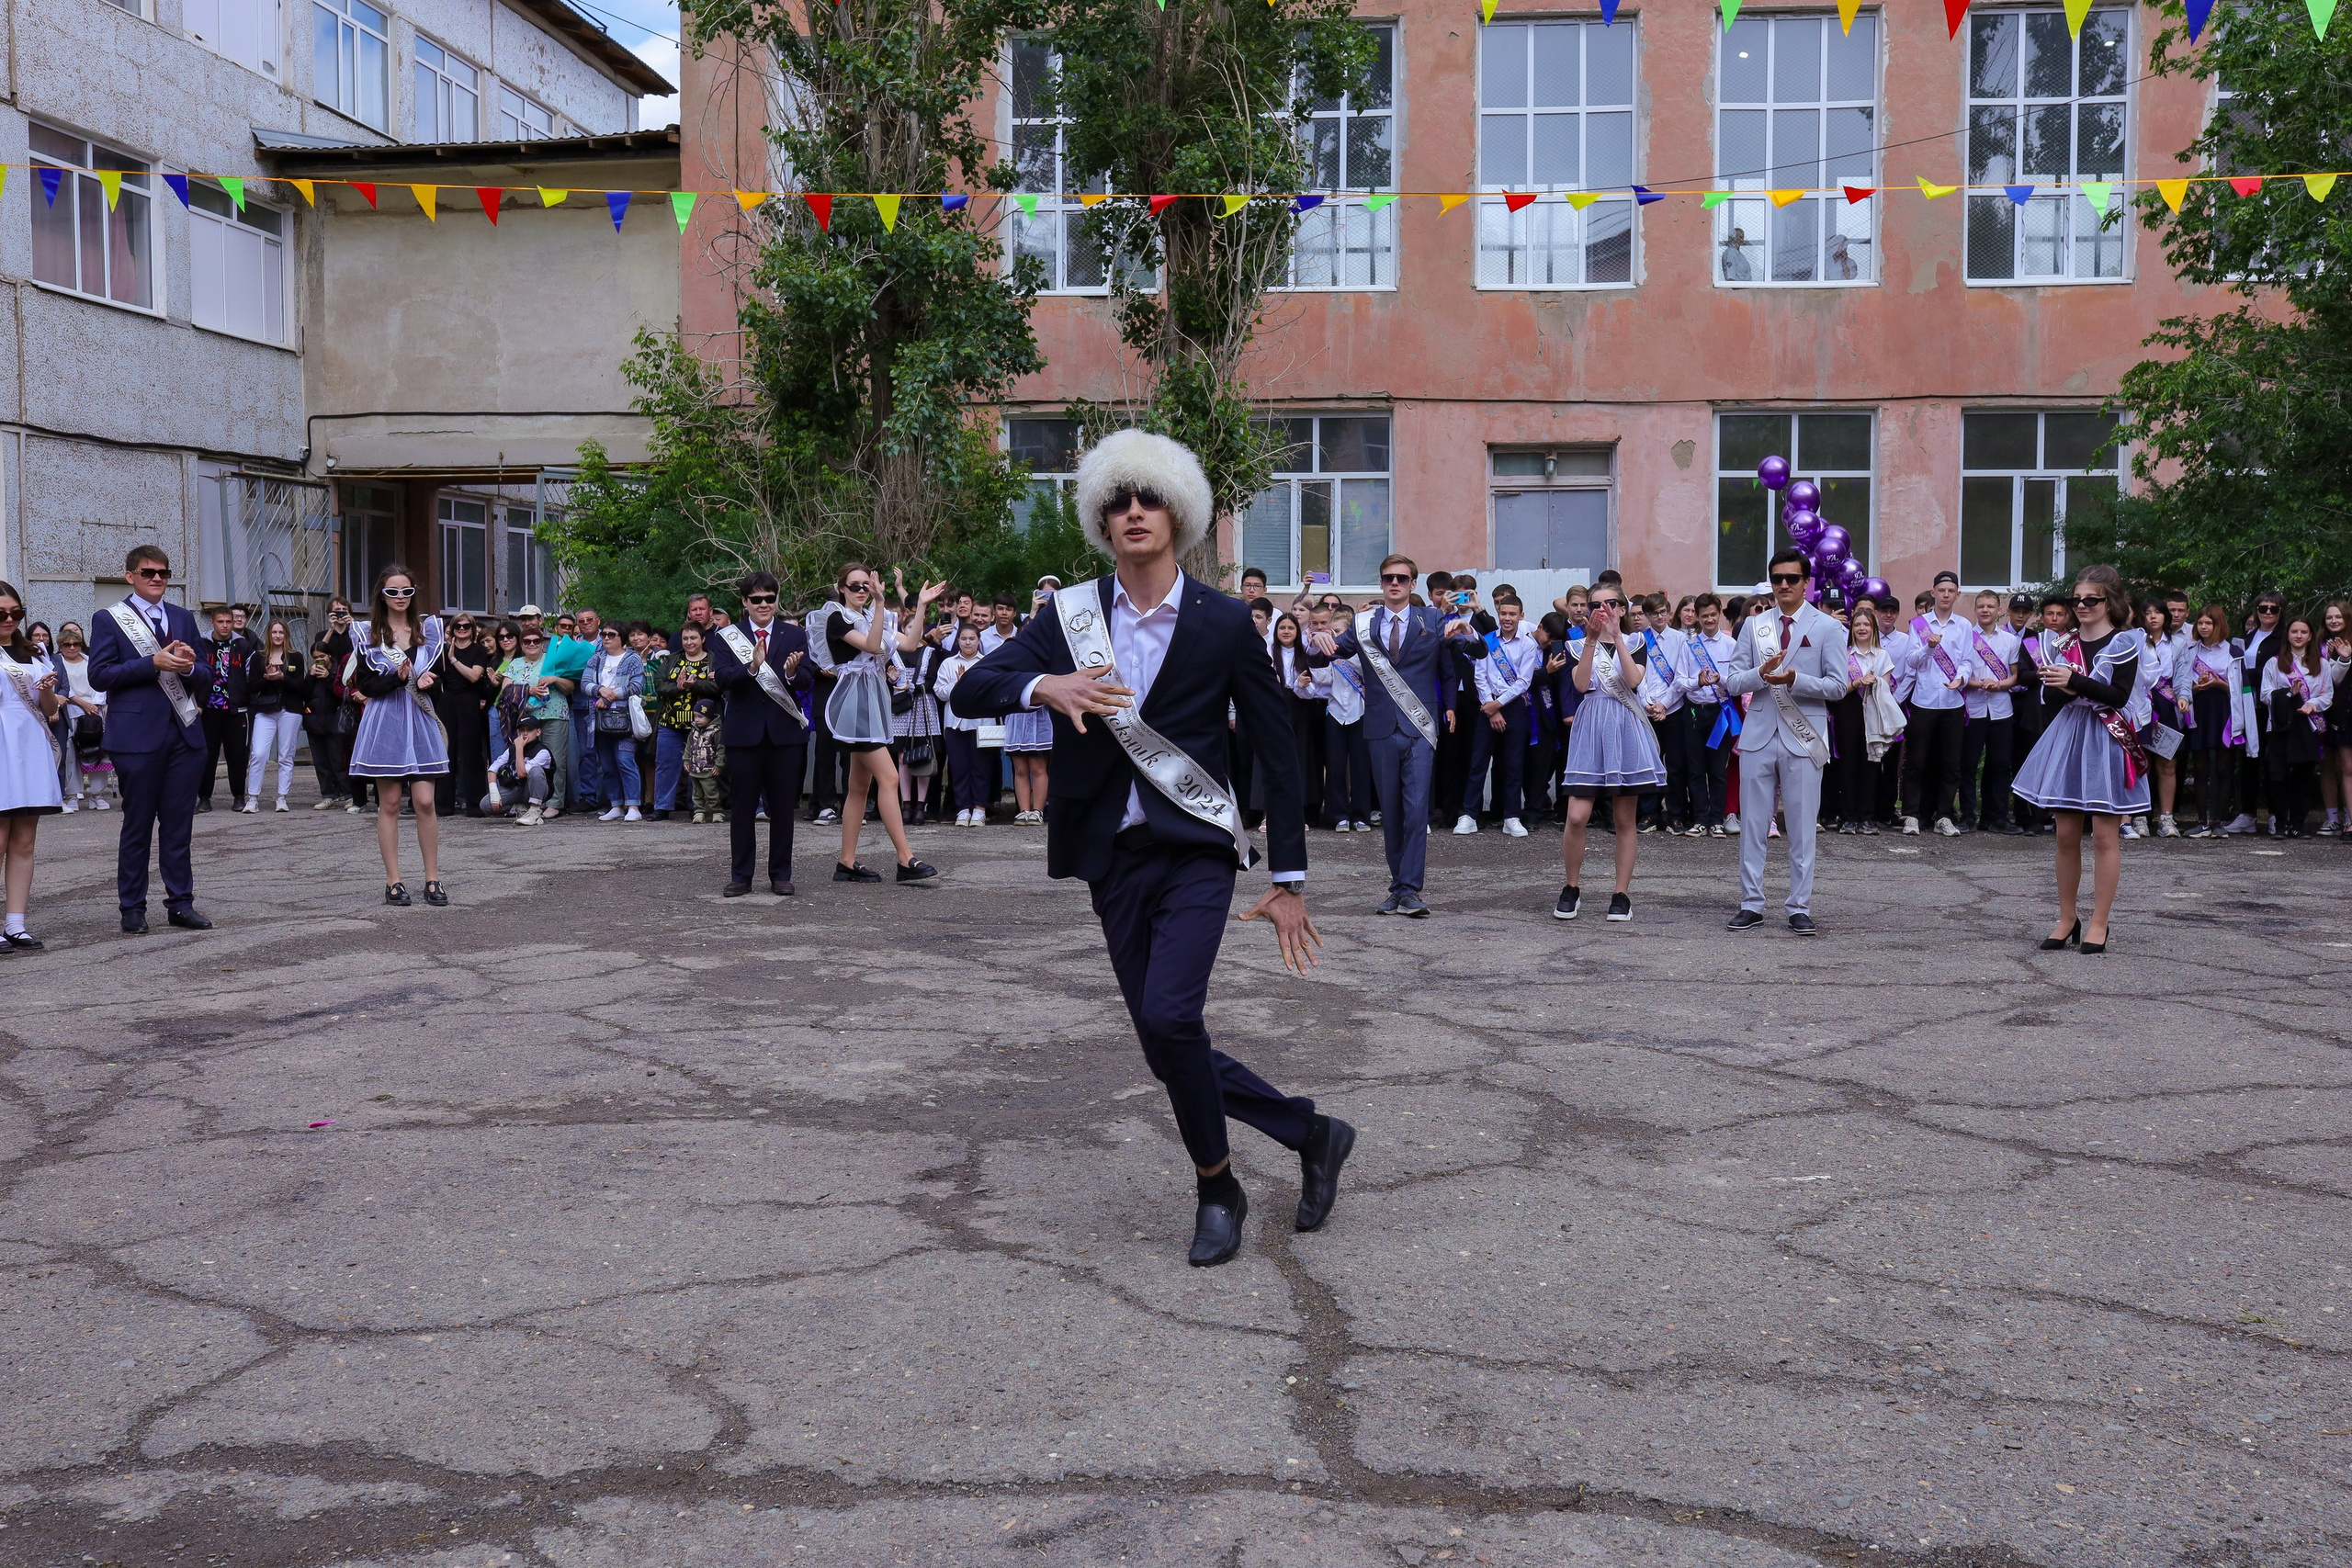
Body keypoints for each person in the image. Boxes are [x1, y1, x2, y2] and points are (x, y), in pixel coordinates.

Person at [950, 428, 1351, 1268]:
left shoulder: (1222, 622)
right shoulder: (1067, 618)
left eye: (1149, 498)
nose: (1134, 512)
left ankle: (1217, 1188)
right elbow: (968, 686)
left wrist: (1288, 873)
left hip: (1197, 846)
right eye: (1117, 502)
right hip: (1112, 855)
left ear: (1180, 513)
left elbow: (1278, 747)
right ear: (1103, 519)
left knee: (1171, 1017)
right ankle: (1310, 1131)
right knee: (1163, 1038)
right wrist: (1042, 682)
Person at [1306, 555, 1461, 916]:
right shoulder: (1363, 624)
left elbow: (1469, 653)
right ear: (1381, 584)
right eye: (1389, 578)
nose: (1395, 583)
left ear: (1412, 585)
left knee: (1416, 808)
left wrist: (1466, 634)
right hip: (1378, 727)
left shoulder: (1434, 619)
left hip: (1419, 726)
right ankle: (1399, 887)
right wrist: (1320, 641)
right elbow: (1318, 659)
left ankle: (1409, 889)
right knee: (1390, 811)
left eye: (1402, 579)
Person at [2012, 566, 2146, 954]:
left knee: (2105, 836)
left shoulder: (2125, 642)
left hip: (2106, 740)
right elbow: (2051, 699)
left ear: (2110, 602)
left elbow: (2117, 696)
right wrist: (2069, 684)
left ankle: (2100, 922)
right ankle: (2067, 917)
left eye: (2092, 599)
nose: (2082, 606)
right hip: (2069, 737)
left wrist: (2072, 681)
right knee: (2066, 835)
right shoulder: (2061, 644)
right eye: (2077, 600)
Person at [89, 545, 216, 933]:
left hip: (185, 734)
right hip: (136, 739)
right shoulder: (109, 619)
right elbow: (100, 676)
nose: (157, 578)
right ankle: (132, 908)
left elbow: (208, 679)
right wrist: (152, 663)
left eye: (163, 572)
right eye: (148, 572)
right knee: (138, 825)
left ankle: (180, 903)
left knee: (179, 827)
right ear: (130, 577)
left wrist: (192, 666)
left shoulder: (182, 617)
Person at [1724, 550, 1849, 936]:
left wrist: (1796, 679)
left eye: (1791, 579)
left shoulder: (1828, 627)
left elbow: (1839, 686)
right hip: (1759, 735)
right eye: (1777, 578)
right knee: (1753, 826)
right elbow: (1732, 681)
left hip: (1803, 737)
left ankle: (1799, 906)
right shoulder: (1753, 626)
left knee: (1801, 827)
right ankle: (1752, 903)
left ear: (1806, 582)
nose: (1784, 585)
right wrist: (1760, 675)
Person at [816, 565, 942, 882]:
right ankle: (905, 858)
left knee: (859, 787)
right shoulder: (837, 617)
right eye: (855, 586)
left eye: (865, 586)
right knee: (889, 778)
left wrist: (922, 605)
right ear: (842, 588)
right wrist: (881, 604)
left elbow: (911, 644)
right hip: (855, 702)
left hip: (872, 701)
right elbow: (873, 646)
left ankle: (846, 862)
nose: (861, 591)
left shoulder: (871, 617)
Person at [1553, 584, 1666, 921]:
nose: (1603, 609)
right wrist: (1591, 639)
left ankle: (1621, 894)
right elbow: (1581, 683)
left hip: (1624, 726)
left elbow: (1632, 680)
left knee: (1623, 818)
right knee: (1576, 816)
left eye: (1610, 603)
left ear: (1622, 607)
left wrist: (1617, 637)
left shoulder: (1637, 642)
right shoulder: (1575, 644)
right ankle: (1572, 887)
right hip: (1591, 727)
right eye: (1596, 604)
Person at [349, 566, 450, 907]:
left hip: (419, 720)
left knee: (425, 801)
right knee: (390, 803)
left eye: (406, 591)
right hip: (387, 720)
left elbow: (440, 683)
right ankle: (393, 881)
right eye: (392, 592)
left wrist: (427, 683)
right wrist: (397, 678)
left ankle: (432, 879)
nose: (399, 598)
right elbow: (365, 685)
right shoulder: (368, 634)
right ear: (382, 595)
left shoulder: (428, 632)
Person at [708, 569, 813, 896]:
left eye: (770, 598)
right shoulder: (729, 635)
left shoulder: (793, 634)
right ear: (745, 602)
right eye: (757, 599)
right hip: (744, 734)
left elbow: (808, 680)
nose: (764, 604)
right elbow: (722, 680)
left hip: (784, 734)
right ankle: (741, 876)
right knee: (741, 809)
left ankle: (781, 874)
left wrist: (795, 674)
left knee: (783, 808)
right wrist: (752, 667)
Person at [0, 581, 65, 950]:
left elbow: (50, 710)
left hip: (30, 747)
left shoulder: (34, 651)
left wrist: (45, 689)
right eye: (1, 613)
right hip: (0, 746)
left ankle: (16, 922)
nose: (9, 620)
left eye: (16, 613)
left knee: (24, 840)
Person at [1898, 570, 1976, 835]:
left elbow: (1968, 660)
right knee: (1917, 761)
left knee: (1951, 763)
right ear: (1933, 593)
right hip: (1924, 702)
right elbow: (1911, 661)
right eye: (1941, 590)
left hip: (1952, 703)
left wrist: (1961, 678)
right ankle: (1910, 814)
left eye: (1950, 591)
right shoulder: (1919, 624)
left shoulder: (1964, 626)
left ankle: (1943, 815)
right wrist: (1929, 647)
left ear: (1957, 595)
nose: (1945, 595)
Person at [1454, 594, 1539, 838]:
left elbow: (1524, 681)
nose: (1507, 618)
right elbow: (1479, 676)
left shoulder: (1528, 643)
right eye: (1503, 614)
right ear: (1498, 614)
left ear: (1521, 616)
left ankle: (1511, 816)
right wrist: (1490, 706)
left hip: (1513, 707)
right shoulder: (1486, 641)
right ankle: (1469, 815)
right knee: (1478, 762)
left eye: (1513, 614)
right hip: (1487, 706)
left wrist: (1498, 704)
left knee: (1513, 765)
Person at [1831, 603, 1902, 835]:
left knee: (1872, 764)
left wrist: (1877, 681)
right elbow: (1837, 689)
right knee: (1849, 764)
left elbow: (1888, 685)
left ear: (1873, 628)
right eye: (1858, 624)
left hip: (1873, 711)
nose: (1862, 628)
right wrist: (1857, 682)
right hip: (1849, 711)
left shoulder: (1882, 655)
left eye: (1866, 625)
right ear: (1851, 628)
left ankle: (1867, 817)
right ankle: (1848, 817)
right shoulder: (1843, 654)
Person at [1958, 589, 2024, 835]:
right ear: (1975, 609)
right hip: (1973, 710)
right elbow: (1959, 673)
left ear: (1999, 610)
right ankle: (1966, 816)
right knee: (1968, 765)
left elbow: (2015, 675)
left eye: (1990, 606)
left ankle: (1996, 818)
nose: (1985, 610)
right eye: (1981, 606)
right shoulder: (1966, 638)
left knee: (1999, 764)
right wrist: (1977, 684)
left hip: (2001, 710)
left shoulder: (2010, 641)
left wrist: (1999, 684)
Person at [2259, 615, 2330, 837]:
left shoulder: (2322, 663)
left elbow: (2327, 694)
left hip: (2306, 725)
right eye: (2294, 631)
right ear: (2287, 635)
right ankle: (2280, 824)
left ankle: (2298, 825)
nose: (2298, 636)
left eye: (2303, 632)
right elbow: (2265, 694)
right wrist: (2289, 693)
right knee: (2277, 776)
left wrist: (2311, 703)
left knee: (2304, 776)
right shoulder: (2274, 663)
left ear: (2310, 636)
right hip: (2281, 726)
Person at [2177, 603, 2240, 838]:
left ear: (2218, 624)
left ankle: (2219, 821)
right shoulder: (2190, 650)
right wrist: (2197, 686)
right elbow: (2182, 683)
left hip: (2224, 710)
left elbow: (2240, 687)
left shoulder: (2233, 650)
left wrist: (2218, 683)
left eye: (2208, 623)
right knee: (2201, 767)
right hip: (2199, 709)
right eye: (2200, 622)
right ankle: (2201, 821)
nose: (2203, 627)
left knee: (2224, 766)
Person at [2131, 599, 2186, 839]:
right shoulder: (2133, 641)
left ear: (2166, 616)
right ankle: (2139, 815)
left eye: (2157, 613)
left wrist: (2185, 698)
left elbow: (2184, 676)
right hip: (2141, 704)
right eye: (2147, 613)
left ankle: (2166, 817)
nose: (2153, 617)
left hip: (2167, 705)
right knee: (2141, 760)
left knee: (2168, 762)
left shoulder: (2179, 644)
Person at [241, 619, 309, 812]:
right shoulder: (259, 657)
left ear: (286, 634)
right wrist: (266, 677)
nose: (277, 636)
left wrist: (282, 678)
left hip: (290, 710)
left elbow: (301, 687)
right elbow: (251, 687)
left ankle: (282, 797)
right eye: (274, 632)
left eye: (281, 632)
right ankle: (252, 799)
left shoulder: (295, 657)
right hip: (265, 710)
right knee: (259, 753)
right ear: (268, 635)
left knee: (286, 754)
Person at [583, 624, 646, 823]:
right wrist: (601, 690)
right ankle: (616, 805)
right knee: (608, 764)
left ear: (622, 637)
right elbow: (584, 683)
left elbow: (637, 685)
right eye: (604, 634)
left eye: (612, 634)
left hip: (624, 719)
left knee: (625, 762)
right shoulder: (597, 658)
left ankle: (634, 806)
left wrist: (610, 696)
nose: (606, 638)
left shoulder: (633, 658)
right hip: (599, 719)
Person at [435, 615, 498, 817]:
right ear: (452, 629)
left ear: (472, 629)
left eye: (466, 626)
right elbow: (434, 675)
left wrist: (453, 660)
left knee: (471, 752)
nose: (461, 629)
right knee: (447, 751)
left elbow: (474, 676)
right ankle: (444, 805)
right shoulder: (442, 651)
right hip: (448, 701)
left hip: (469, 701)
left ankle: (474, 804)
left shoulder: (478, 650)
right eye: (457, 626)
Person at [655, 622, 718, 820]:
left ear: (703, 639)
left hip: (701, 727)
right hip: (670, 722)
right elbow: (659, 684)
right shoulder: (672, 659)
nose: (689, 642)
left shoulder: (713, 660)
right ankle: (662, 807)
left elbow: (719, 687)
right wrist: (679, 687)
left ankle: (696, 807)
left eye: (693, 638)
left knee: (699, 765)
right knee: (665, 765)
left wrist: (696, 684)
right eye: (685, 638)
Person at [196, 604, 251, 813]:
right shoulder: (202, 644)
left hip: (235, 709)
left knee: (237, 755)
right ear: (212, 622)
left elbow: (250, 676)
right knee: (206, 755)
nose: (225, 626)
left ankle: (238, 796)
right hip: (208, 708)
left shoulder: (243, 645)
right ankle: (204, 798)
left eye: (229, 622)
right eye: (221, 622)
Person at [55, 624, 111, 812]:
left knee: (97, 752)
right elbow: (62, 688)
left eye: (76, 644)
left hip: (93, 714)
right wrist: (82, 704)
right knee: (71, 755)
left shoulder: (90, 661)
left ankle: (97, 795)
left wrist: (95, 705)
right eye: (67, 644)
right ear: (60, 646)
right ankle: (72, 795)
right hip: (70, 712)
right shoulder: (57, 663)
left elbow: (99, 683)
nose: (72, 647)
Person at [2322, 602, 2352, 838]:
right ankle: (2336, 819)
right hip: (2331, 711)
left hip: (2348, 709)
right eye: (2329, 617)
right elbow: (2332, 681)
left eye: (2338, 617)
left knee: (2347, 767)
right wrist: (2341, 658)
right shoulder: (2322, 645)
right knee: (2333, 765)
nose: (2333, 621)